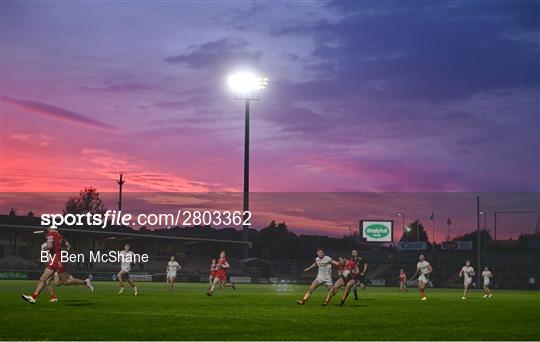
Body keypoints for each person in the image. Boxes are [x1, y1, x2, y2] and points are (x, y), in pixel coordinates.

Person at [21, 226, 94, 304]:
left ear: (49, 228)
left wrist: (44, 248)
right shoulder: (60, 237)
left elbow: (49, 246)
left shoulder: (50, 234)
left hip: (56, 259)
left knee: (63, 282)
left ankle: (85, 282)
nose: (47, 230)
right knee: (44, 278)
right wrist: (60, 250)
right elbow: (69, 247)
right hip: (56, 259)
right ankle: (33, 297)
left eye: (47, 228)